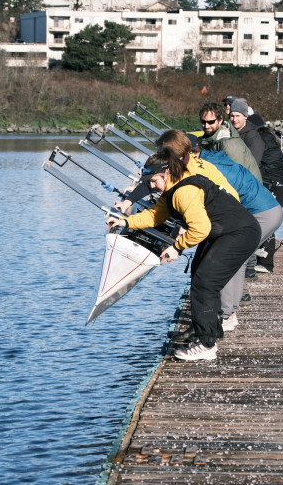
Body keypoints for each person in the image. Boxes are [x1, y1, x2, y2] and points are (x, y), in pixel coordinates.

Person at [105, 149, 261, 362]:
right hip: (224, 231)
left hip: (239, 233)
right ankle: (210, 331)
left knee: (205, 282)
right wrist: (124, 222)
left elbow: (200, 228)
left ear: (167, 173)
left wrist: (177, 248)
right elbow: (154, 215)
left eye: (153, 181)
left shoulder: (182, 192)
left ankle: (206, 345)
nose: (151, 186)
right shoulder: (171, 190)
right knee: (200, 276)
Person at [157, 130, 282, 333]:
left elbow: (227, 199)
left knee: (224, 263)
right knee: (231, 261)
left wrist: (183, 236)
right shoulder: (207, 158)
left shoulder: (203, 169)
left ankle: (226, 315)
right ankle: (228, 312)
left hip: (262, 212)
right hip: (265, 207)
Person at [249, 113, 283, 274]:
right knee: (266, 220)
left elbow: (254, 163)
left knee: (266, 221)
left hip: (274, 187)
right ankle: (262, 256)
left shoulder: (260, 141)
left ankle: (266, 262)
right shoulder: (268, 138)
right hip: (279, 187)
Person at [197, 102, 262, 182]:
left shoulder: (229, 144)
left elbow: (238, 178)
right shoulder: (208, 139)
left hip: (248, 190)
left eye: (211, 122)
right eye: (203, 122)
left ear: (220, 120)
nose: (206, 126)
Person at [228, 98, 265, 165]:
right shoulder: (228, 133)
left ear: (245, 116)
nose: (234, 119)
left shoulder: (253, 137)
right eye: (232, 116)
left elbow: (253, 163)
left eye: (238, 116)